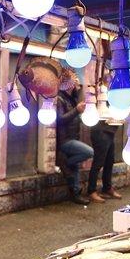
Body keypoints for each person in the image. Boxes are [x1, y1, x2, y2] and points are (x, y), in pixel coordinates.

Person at [53, 64, 92, 205]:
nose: (77, 82)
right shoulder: (60, 99)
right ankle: (65, 163)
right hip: (65, 140)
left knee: (75, 169)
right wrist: (77, 110)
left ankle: (75, 193)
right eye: (74, 80)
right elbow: (60, 119)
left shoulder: (72, 98)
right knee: (89, 152)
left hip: (73, 137)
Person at [87, 113, 121, 202]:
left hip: (110, 131)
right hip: (101, 131)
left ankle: (107, 188)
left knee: (109, 161)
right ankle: (91, 191)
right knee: (98, 162)